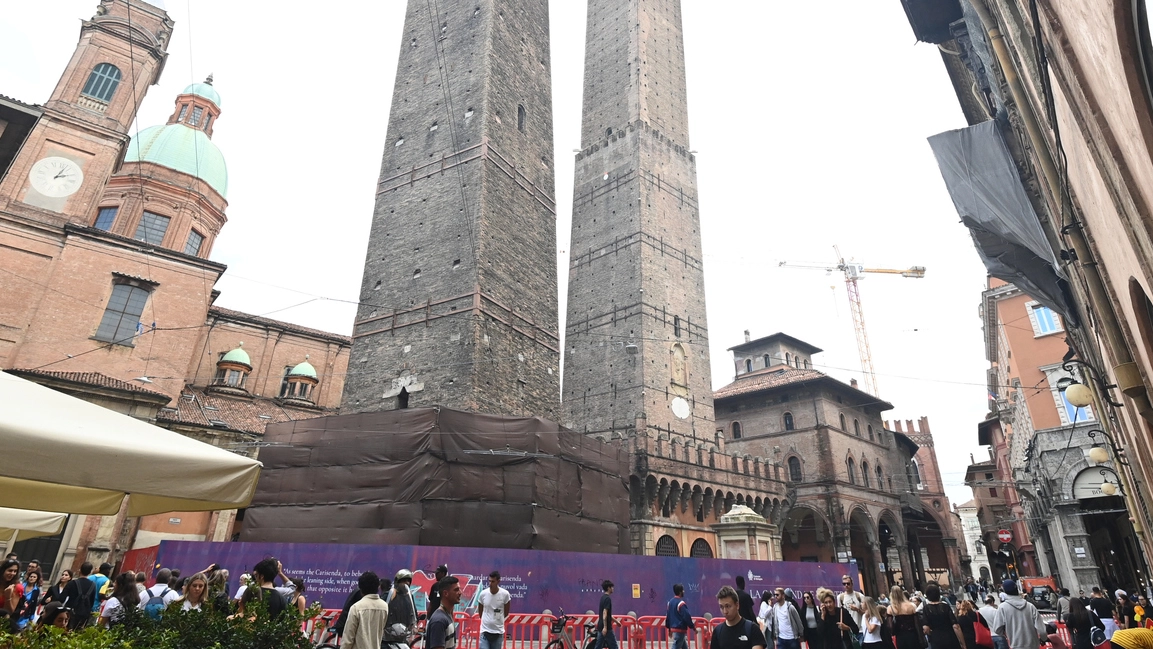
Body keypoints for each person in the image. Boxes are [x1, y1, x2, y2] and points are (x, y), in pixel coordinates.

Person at [992, 580, 1045, 649]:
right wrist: (1043, 639)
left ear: (1005, 591)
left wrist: (1008, 633)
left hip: (1016, 645)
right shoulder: (1030, 606)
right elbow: (1042, 630)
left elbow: (997, 629)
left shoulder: (1002, 608)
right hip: (1033, 645)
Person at [344, 571, 389, 649]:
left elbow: (348, 639)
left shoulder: (356, 608)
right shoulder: (384, 607)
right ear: (378, 586)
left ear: (360, 588)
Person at [922, 583, 966, 649]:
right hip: (950, 637)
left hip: (936, 639)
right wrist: (963, 644)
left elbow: (926, 628)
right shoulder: (946, 606)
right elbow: (956, 626)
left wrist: (932, 633)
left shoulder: (926, 608)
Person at [478, 571, 511, 649]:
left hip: (498, 632)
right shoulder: (483, 594)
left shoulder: (505, 594)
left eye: (493, 581)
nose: (490, 583)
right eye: (489, 581)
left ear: (498, 581)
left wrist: (497, 619)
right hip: (485, 632)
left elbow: (506, 612)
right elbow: (480, 612)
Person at [426, 576, 461, 649]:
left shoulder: (447, 615)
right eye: (456, 590)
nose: (460, 593)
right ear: (445, 593)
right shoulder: (439, 621)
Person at [58, 562, 96, 629]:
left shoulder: (72, 583)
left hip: (70, 612)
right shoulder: (93, 585)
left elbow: (61, 598)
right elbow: (92, 602)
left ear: (79, 570)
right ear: (90, 572)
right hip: (84, 615)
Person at [385, 569, 418, 643]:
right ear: (398, 581)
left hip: (404, 635)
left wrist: (414, 625)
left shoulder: (409, 597)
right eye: (404, 580)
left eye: (409, 580)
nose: (407, 583)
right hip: (388, 636)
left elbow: (413, 613)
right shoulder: (389, 595)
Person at [838, 575, 865, 643]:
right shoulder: (840, 597)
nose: (846, 585)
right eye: (844, 584)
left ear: (852, 584)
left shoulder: (859, 596)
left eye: (848, 583)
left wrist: (857, 610)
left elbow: (866, 613)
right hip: (848, 631)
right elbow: (839, 613)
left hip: (860, 629)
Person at [666, 583, 694, 649]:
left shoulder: (670, 603)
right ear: (680, 592)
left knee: (683, 645)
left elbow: (668, 617)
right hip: (680, 629)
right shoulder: (681, 603)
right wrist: (693, 627)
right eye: (683, 590)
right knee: (676, 646)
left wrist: (669, 629)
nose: (684, 591)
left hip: (674, 628)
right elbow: (687, 616)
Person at [595, 580, 618, 649]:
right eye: (612, 587)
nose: (613, 589)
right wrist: (605, 627)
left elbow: (608, 615)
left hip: (600, 625)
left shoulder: (602, 598)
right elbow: (605, 613)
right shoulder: (608, 599)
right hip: (607, 627)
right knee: (614, 646)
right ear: (608, 588)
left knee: (598, 646)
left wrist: (617, 622)